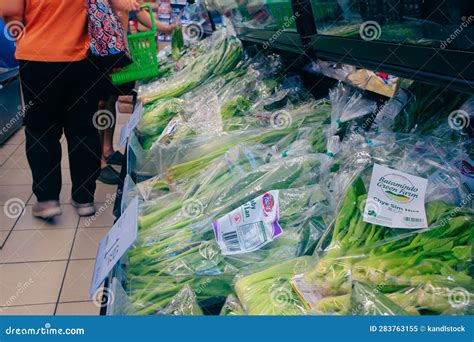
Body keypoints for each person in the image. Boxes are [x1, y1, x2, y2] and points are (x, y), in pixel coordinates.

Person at [1, 0, 107, 218]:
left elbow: (11, 12)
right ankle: (84, 198)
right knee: (84, 130)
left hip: (37, 59)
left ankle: (47, 200)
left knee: (41, 131)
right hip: (83, 59)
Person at [97, 0, 178, 184]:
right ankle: (98, 162)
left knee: (110, 99)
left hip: (118, 49)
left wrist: (165, 28)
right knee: (99, 103)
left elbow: (138, 12)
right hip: (102, 46)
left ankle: (107, 150)